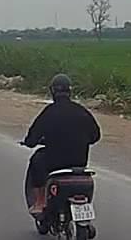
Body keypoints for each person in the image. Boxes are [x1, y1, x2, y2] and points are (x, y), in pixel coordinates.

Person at [23, 73, 101, 214]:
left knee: (36, 159)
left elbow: (32, 138)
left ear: (52, 91)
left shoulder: (49, 112)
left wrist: (29, 142)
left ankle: (40, 201)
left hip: (54, 163)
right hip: (79, 162)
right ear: (70, 91)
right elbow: (96, 136)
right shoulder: (81, 111)